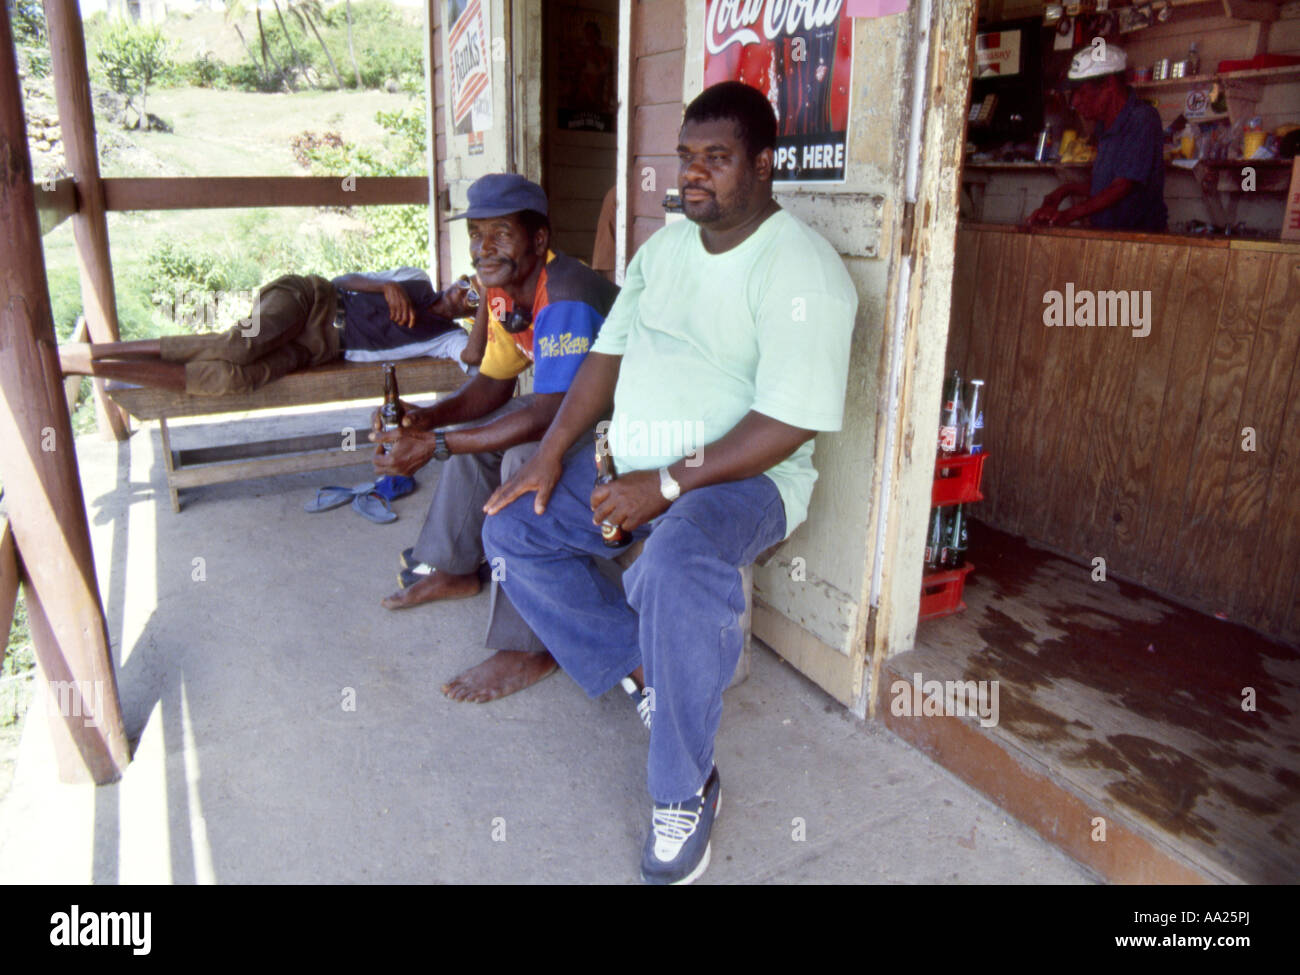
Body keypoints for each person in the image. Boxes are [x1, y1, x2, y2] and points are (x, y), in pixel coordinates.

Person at [481, 81, 857, 884]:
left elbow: (789, 423)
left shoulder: (802, 272)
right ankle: (647, 669)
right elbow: (606, 359)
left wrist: (669, 485)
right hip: (632, 465)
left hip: (744, 479)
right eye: (685, 159)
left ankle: (684, 786)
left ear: (763, 165)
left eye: (715, 160)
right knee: (514, 528)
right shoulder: (660, 252)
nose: (692, 176)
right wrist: (552, 452)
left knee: (681, 556)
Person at [371, 173, 620, 704]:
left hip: (626, 423)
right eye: (476, 233)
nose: (484, 248)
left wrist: (437, 447)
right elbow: (492, 385)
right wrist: (428, 422)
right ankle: (455, 567)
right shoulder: (502, 292)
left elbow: (550, 415)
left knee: (521, 463)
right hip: (573, 411)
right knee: (472, 434)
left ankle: (530, 644)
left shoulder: (567, 291)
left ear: (538, 239)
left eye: (500, 233)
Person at [58, 268, 478, 396]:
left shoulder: (445, 338)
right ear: (457, 279)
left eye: (477, 300)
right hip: (306, 300)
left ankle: (96, 369)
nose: (466, 297)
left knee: (233, 377)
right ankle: (98, 351)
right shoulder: (415, 278)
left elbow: (475, 359)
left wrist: (495, 319)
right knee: (239, 345)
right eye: (468, 285)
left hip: (316, 349)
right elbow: (344, 277)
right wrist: (385, 286)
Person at [1028, 44, 1168, 231]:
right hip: (1107, 235)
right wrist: (1065, 190)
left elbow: (1122, 187)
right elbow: (1105, 185)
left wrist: (1068, 215)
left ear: (1109, 84)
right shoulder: (1104, 124)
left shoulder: (1142, 118)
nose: (1075, 102)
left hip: (1139, 239)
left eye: (1081, 92)